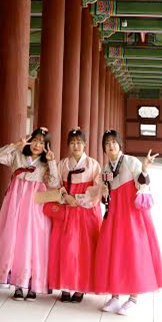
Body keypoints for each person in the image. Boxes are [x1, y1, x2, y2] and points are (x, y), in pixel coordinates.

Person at [94, 129, 162, 316]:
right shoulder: (107, 169)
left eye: (114, 142)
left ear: (120, 145)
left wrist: (145, 169)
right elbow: (106, 197)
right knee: (113, 252)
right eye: (107, 143)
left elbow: (142, 184)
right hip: (114, 216)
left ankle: (133, 298)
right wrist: (103, 192)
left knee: (133, 252)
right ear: (104, 148)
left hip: (131, 215)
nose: (111, 146)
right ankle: (115, 295)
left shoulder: (130, 162)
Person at [0, 127, 60, 301]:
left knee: (34, 242)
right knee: (15, 241)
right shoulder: (17, 156)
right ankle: (18, 284)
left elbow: (54, 182)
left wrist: (52, 162)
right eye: (35, 140)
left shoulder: (44, 164)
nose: (37, 145)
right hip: (15, 204)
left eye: (42, 142)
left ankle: (33, 284)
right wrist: (16, 145)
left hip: (35, 206)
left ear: (46, 146)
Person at [47, 128, 103, 303]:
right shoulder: (63, 164)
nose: (76, 146)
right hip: (67, 208)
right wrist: (65, 197)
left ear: (85, 144)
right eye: (72, 143)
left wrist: (79, 199)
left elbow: (97, 188)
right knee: (65, 248)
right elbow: (54, 182)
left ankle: (80, 287)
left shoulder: (93, 165)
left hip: (86, 210)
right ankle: (64, 286)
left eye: (79, 142)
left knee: (84, 249)